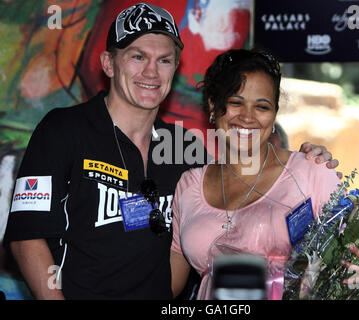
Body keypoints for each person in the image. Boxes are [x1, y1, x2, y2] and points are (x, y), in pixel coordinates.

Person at [3, 3, 338, 300]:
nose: (151, 72)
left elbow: (234, 198)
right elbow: (26, 237)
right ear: (108, 63)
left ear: (175, 68)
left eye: (164, 60)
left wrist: (306, 159)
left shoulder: (187, 152)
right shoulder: (64, 130)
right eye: (137, 56)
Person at [170, 48, 359, 300]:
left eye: (262, 106)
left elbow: (351, 270)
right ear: (214, 106)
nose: (248, 117)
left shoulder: (309, 171)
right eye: (235, 102)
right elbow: (168, 284)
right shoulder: (190, 184)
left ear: (274, 114)